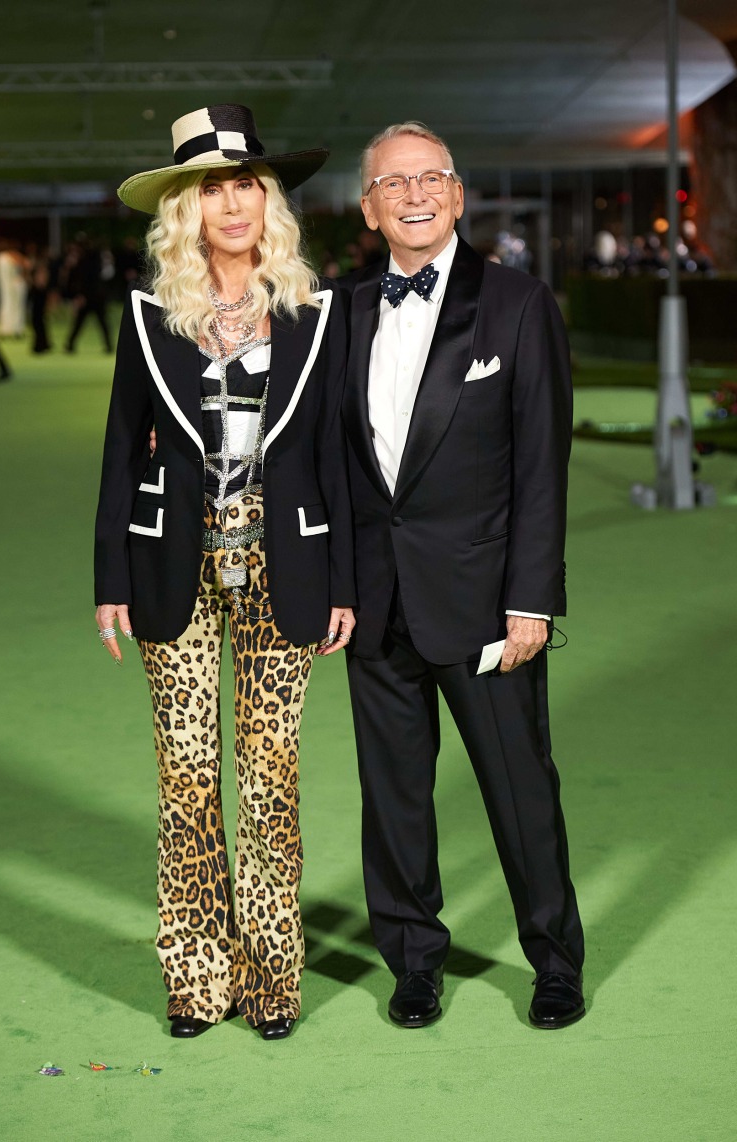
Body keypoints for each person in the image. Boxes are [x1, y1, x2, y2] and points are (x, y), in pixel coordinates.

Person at [94, 103, 355, 1041]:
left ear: (267, 199)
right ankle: (199, 979)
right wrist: (109, 579)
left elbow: (334, 455)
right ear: (185, 210)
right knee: (187, 774)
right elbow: (123, 452)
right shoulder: (148, 313)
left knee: (271, 777)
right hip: (172, 562)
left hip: (290, 559)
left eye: (246, 183)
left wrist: (348, 585)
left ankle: (274, 983)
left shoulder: (316, 314)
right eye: (213, 188)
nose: (233, 202)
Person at [340, 122, 584, 1031]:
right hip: (373, 603)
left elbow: (541, 468)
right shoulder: (344, 308)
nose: (413, 193)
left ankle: (555, 961)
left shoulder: (519, 303)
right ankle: (412, 962)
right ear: (368, 206)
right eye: (392, 182)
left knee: (521, 795)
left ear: (458, 193)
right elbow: (330, 460)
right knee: (393, 802)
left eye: (430, 177)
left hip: (487, 606)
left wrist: (532, 600)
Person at [64, 234, 113, 353]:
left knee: (82, 322)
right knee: (99, 323)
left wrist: (81, 295)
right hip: (96, 296)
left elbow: (85, 279)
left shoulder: (84, 260)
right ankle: (108, 346)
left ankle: (70, 345)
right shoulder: (96, 259)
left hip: (90, 296)